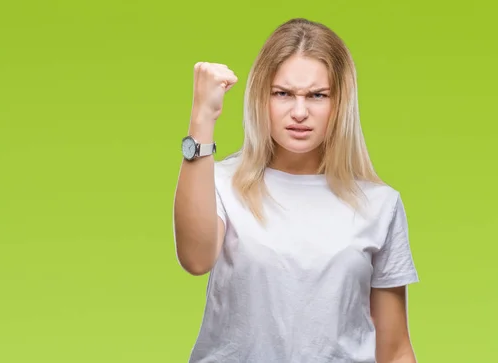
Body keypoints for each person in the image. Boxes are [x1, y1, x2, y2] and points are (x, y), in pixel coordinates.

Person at [173, 17, 419, 363]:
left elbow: (394, 350)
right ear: (262, 97)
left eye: (317, 95)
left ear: (339, 103)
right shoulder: (220, 182)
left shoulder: (380, 205)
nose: (299, 112)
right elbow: (195, 259)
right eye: (283, 94)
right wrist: (202, 117)